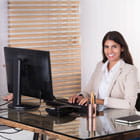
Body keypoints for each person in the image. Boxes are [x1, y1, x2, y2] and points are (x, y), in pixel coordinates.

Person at [68, 31, 138, 110]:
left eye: (114, 47)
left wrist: (98, 101)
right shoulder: (100, 66)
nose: (110, 51)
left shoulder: (130, 70)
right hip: (99, 116)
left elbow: (129, 104)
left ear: (122, 48)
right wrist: (80, 96)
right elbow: (88, 91)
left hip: (117, 118)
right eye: (106, 47)